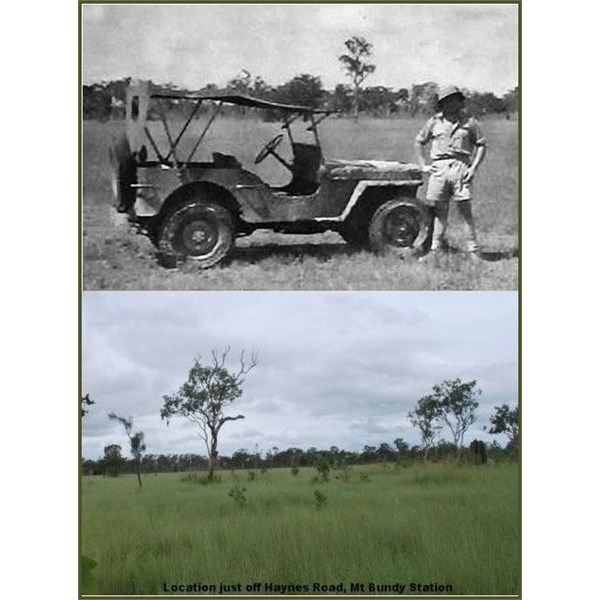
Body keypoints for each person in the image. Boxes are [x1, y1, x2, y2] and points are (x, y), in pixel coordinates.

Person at [414, 85, 487, 259]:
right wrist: (424, 164)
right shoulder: (434, 122)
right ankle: (435, 250)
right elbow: (419, 141)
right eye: (447, 100)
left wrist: (473, 168)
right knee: (440, 212)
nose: (451, 103)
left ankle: (473, 251)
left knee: (465, 212)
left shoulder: (470, 122)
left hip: (461, 168)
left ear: (460, 101)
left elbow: (481, 145)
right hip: (439, 169)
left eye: (455, 99)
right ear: (442, 103)